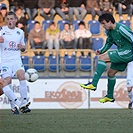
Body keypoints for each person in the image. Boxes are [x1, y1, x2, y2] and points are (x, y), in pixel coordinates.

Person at [80, 13, 133, 103]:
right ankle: (109, 96)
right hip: (122, 52)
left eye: (104, 23)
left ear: (110, 22)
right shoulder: (109, 32)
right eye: (101, 23)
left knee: (102, 58)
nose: (103, 26)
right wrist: (101, 50)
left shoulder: (121, 28)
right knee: (111, 73)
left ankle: (93, 84)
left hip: (128, 52)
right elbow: (108, 43)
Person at [0, 11, 30, 114]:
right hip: (5, 61)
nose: (10, 21)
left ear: (16, 20)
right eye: (8, 19)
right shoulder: (1, 30)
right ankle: (14, 106)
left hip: (17, 60)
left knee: (22, 76)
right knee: (7, 81)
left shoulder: (20, 32)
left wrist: (22, 47)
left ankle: (24, 102)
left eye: (11, 19)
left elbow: (24, 47)